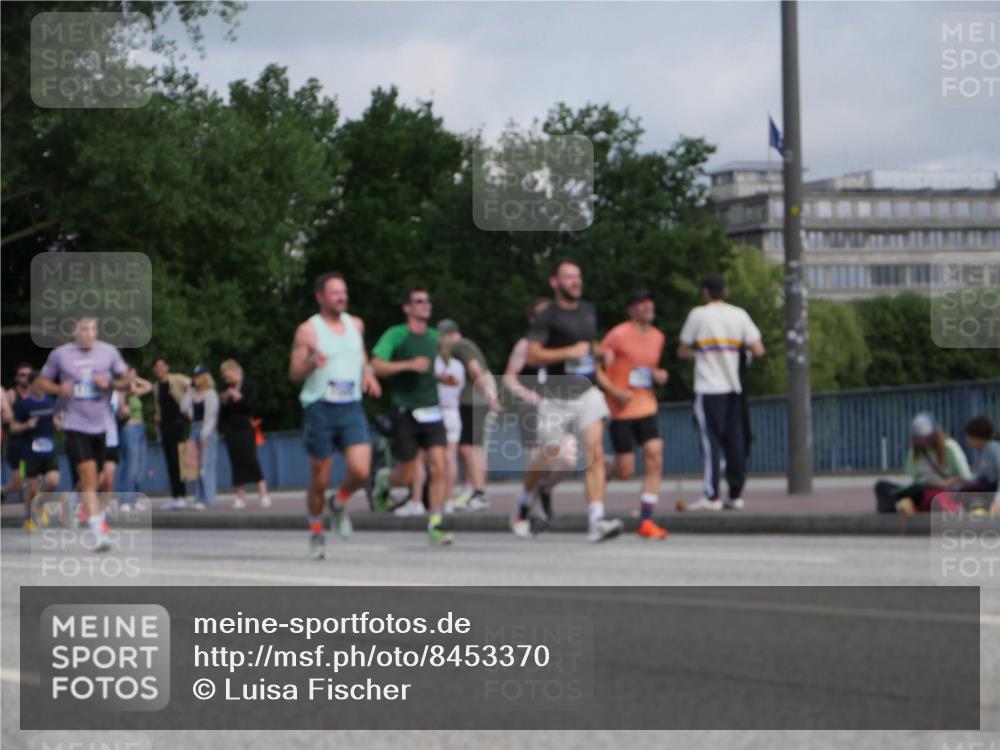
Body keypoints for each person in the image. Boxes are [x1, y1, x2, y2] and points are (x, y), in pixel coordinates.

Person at [511, 259, 623, 543]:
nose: (576, 281)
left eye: (578, 276)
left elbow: (588, 344)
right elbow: (533, 355)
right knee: (547, 453)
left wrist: (601, 352)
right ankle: (525, 500)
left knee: (595, 452)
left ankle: (596, 521)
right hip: (556, 396)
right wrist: (567, 352)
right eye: (569, 277)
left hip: (587, 392)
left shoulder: (588, 310)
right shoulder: (546, 316)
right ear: (555, 282)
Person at [289, 272, 380, 560]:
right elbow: (294, 372)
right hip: (320, 408)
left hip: (350, 406)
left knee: (362, 471)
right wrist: (311, 363)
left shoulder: (356, 324)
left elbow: (360, 354)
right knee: (320, 476)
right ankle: (316, 530)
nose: (342, 297)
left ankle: (338, 503)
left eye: (344, 292)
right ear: (320, 297)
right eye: (335, 293)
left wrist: (368, 374)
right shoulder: (308, 330)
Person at [35, 317, 129, 552]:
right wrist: (58, 388)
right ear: (75, 330)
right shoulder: (60, 354)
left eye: (93, 329)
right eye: (85, 329)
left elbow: (127, 381)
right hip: (75, 425)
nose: (89, 334)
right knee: (88, 477)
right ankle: (98, 533)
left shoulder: (108, 352)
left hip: (101, 425)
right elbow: (41, 382)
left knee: (98, 479)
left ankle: (73, 501)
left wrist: (109, 382)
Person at [370, 287, 454, 546]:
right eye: (419, 301)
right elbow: (376, 365)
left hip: (432, 409)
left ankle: (435, 523)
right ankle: (384, 481)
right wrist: (408, 364)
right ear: (407, 308)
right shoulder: (396, 334)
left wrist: (443, 378)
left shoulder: (434, 336)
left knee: (439, 466)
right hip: (405, 411)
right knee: (406, 475)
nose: (426, 305)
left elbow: (429, 369)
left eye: (428, 301)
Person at [677, 274, 765, 511]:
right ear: (725, 290)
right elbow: (758, 349)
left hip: (708, 387)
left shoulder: (698, 315)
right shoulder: (739, 315)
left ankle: (712, 495)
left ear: (706, 292)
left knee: (711, 442)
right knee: (735, 440)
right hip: (734, 388)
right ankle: (735, 494)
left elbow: (682, 350)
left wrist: (700, 353)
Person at [598, 290, 669, 539]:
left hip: (646, 405)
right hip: (621, 410)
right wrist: (614, 392)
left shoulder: (658, 337)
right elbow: (596, 367)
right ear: (631, 310)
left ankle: (646, 520)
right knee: (625, 470)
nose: (647, 307)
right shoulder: (618, 335)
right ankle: (607, 469)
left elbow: (648, 368)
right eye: (640, 304)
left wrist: (659, 375)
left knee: (655, 456)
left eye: (649, 303)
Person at [502, 298, 572, 525]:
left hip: (558, 407)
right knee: (536, 458)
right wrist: (525, 393)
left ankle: (544, 489)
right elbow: (509, 378)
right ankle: (525, 503)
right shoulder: (525, 345)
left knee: (568, 459)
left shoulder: (563, 345)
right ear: (532, 320)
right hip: (533, 406)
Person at [437, 319, 501, 512]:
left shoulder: (461, 346)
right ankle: (471, 489)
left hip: (474, 401)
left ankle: (479, 492)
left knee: (470, 448)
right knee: (472, 447)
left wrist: (489, 396)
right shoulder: (465, 345)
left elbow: (474, 369)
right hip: (472, 401)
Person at [395, 339, 463, 517]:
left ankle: (416, 500)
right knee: (449, 460)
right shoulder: (457, 365)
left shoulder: (431, 363)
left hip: (432, 411)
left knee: (420, 460)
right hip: (453, 412)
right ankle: (447, 500)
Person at [874, 413, 972, 515]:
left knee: (932, 495)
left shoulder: (950, 447)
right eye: (918, 438)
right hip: (922, 489)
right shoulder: (914, 452)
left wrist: (943, 483)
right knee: (882, 486)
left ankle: (906, 505)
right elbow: (915, 479)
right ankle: (894, 510)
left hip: (943, 490)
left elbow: (965, 478)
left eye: (926, 438)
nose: (922, 442)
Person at [9, 371, 60, 530]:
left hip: (49, 450)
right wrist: (27, 425)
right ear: (30, 385)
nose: (41, 387)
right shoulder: (22, 405)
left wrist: (57, 423)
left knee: (53, 481)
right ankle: (28, 518)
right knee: (31, 488)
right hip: (29, 453)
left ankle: (40, 503)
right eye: (38, 384)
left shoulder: (51, 402)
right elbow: (13, 428)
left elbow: (57, 419)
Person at [219, 360, 271, 510]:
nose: (226, 380)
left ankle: (263, 494)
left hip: (245, 427)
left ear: (235, 371)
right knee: (235, 461)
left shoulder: (249, 386)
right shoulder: (225, 389)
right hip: (231, 429)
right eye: (224, 377)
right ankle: (240, 496)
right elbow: (222, 415)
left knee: (251, 459)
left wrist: (238, 397)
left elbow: (251, 407)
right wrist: (224, 401)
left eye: (228, 376)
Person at [153, 357, 191, 509]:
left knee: (177, 460)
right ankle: (175, 496)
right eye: (156, 366)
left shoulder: (176, 379)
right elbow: (158, 405)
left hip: (177, 423)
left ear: (167, 367)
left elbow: (193, 385)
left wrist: (187, 406)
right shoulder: (157, 386)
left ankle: (182, 495)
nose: (159, 369)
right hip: (164, 425)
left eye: (162, 366)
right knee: (169, 461)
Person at [181, 366, 219, 510]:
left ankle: (209, 499)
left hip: (206, 431)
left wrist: (204, 435)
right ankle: (199, 498)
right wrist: (189, 391)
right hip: (194, 429)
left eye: (197, 376)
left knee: (205, 466)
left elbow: (211, 417)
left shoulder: (211, 394)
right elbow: (183, 408)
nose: (194, 379)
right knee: (195, 466)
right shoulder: (193, 393)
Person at [118, 367, 153, 500]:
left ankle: (135, 498)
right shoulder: (123, 391)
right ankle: (125, 499)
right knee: (131, 465)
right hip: (130, 428)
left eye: (135, 373)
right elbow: (131, 390)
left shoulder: (135, 391)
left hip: (140, 427)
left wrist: (136, 378)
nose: (133, 376)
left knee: (140, 466)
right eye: (131, 373)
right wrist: (128, 380)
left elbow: (149, 386)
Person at [2, 363, 33, 502]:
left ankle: (34, 508)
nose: (25, 378)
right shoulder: (11, 395)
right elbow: (7, 419)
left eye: (28, 375)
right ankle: (2, 492)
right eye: (22, 375)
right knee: (19, 483)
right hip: (17, 444)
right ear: (16, 378)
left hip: (34, 442)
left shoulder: (36, 394)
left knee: (35, 479)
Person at [959, 415, 1000, 514]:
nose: (967, 440)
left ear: (977, 437)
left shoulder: (993, 448)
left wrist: (997, 500)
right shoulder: (981, 451)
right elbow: (981, 475)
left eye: (968, 436)